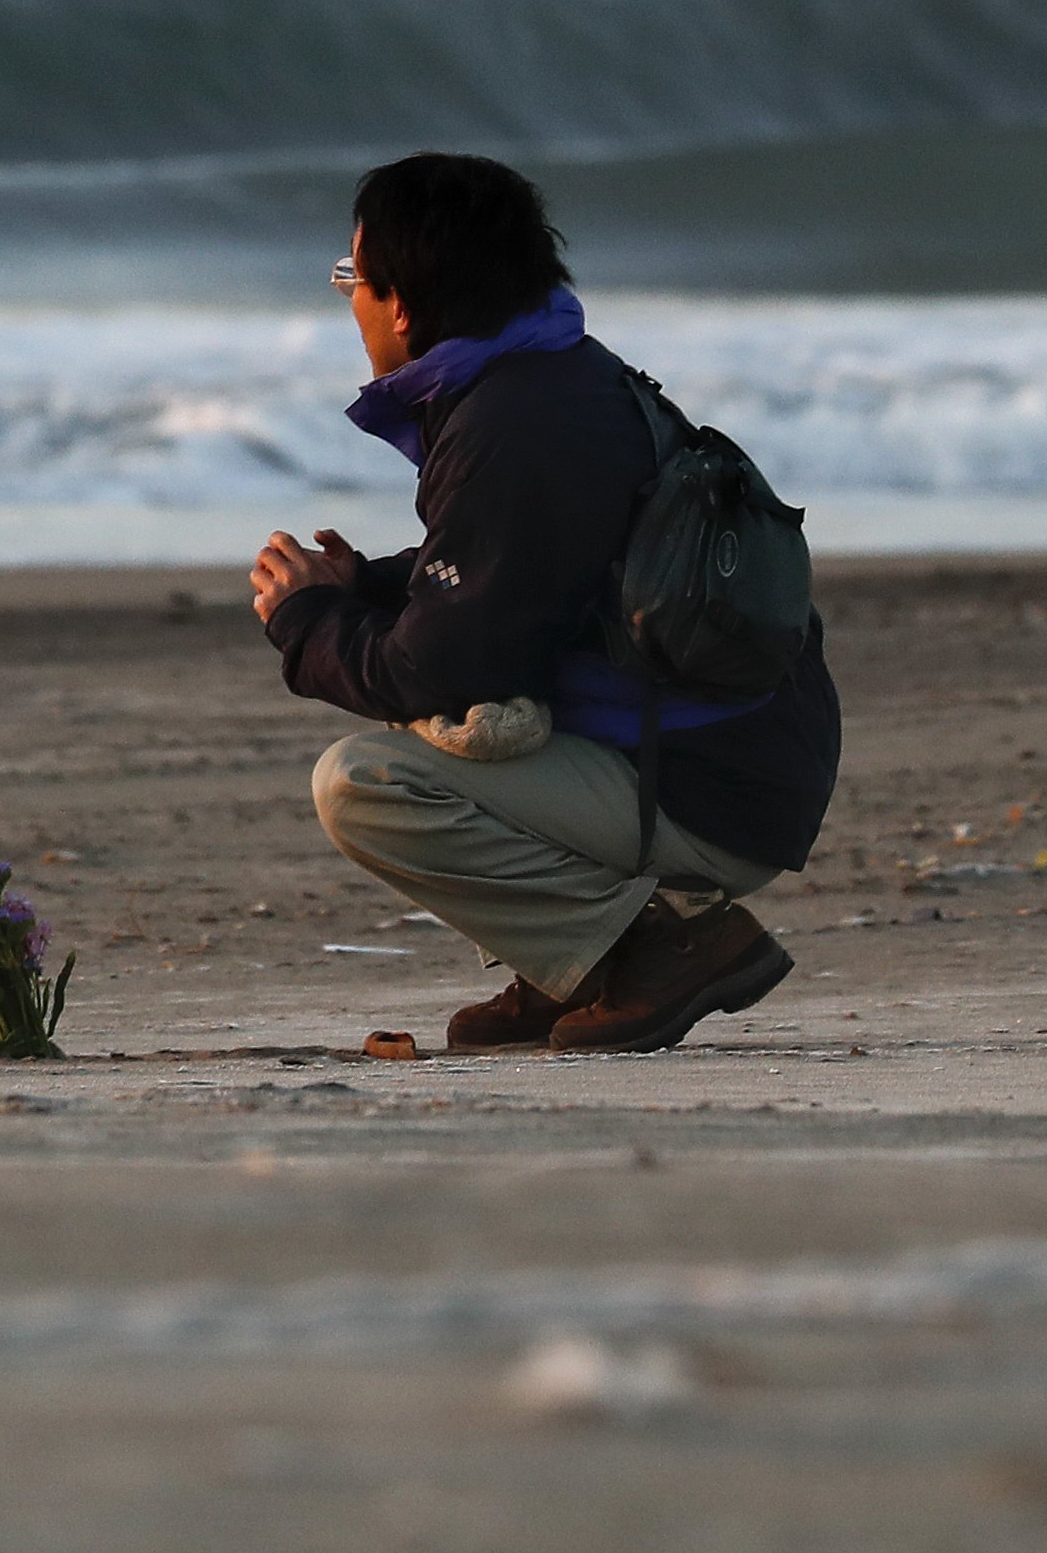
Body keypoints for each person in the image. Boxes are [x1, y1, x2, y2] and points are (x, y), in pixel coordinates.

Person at [247, 153, 842, 1052]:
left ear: (401, 304)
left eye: (352, 280)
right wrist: (364, 584)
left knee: (369, 782)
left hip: (707, 790)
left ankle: (659, 949)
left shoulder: (513, 424)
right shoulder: (553, 376)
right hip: (744, 758)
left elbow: (435, 668)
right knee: (457, 726)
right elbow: (522, 567)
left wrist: (303, 622)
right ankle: (579, 964)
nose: (352, 303)